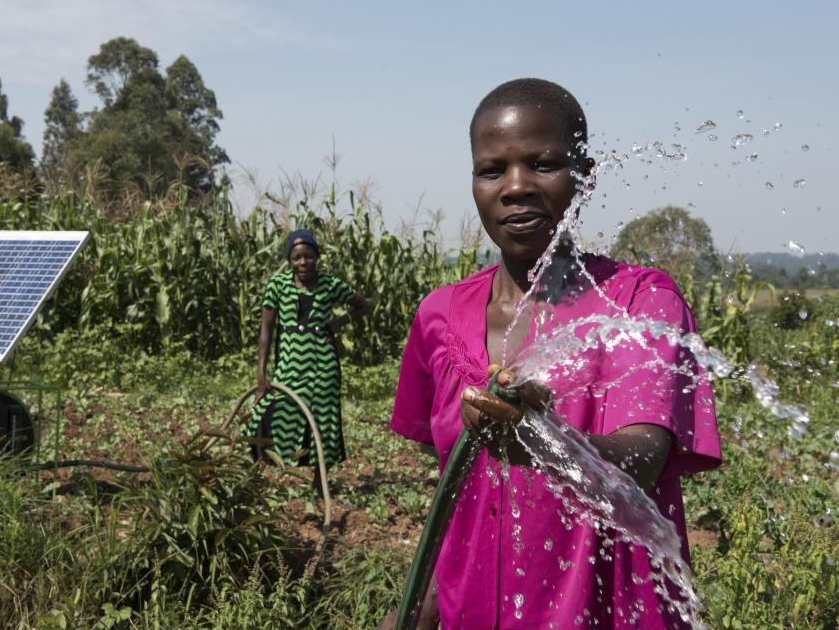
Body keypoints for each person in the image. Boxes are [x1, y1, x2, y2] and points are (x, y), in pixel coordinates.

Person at [381, 79, 722, 629]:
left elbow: (643, 459)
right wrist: (419, 615)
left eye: (543, 164)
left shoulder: (635, 304)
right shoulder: (439, 317)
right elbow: (455, 499)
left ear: (583, 177)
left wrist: (540, 438)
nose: (516, 187)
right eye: (492, 170)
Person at [247, 229, 369, 489]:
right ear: (290, 260)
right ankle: (266, 472)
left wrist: (336, 323)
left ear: (317, 257)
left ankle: (318, 481)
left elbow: (363, 305)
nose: (303, 262)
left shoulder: (330, 284)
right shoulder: (277, 285)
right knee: (268, 411)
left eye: (309, 256)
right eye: (297, 258)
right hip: (289, 363)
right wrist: (261, 375)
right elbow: (266, 332)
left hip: (323, 364)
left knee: (322, 419)